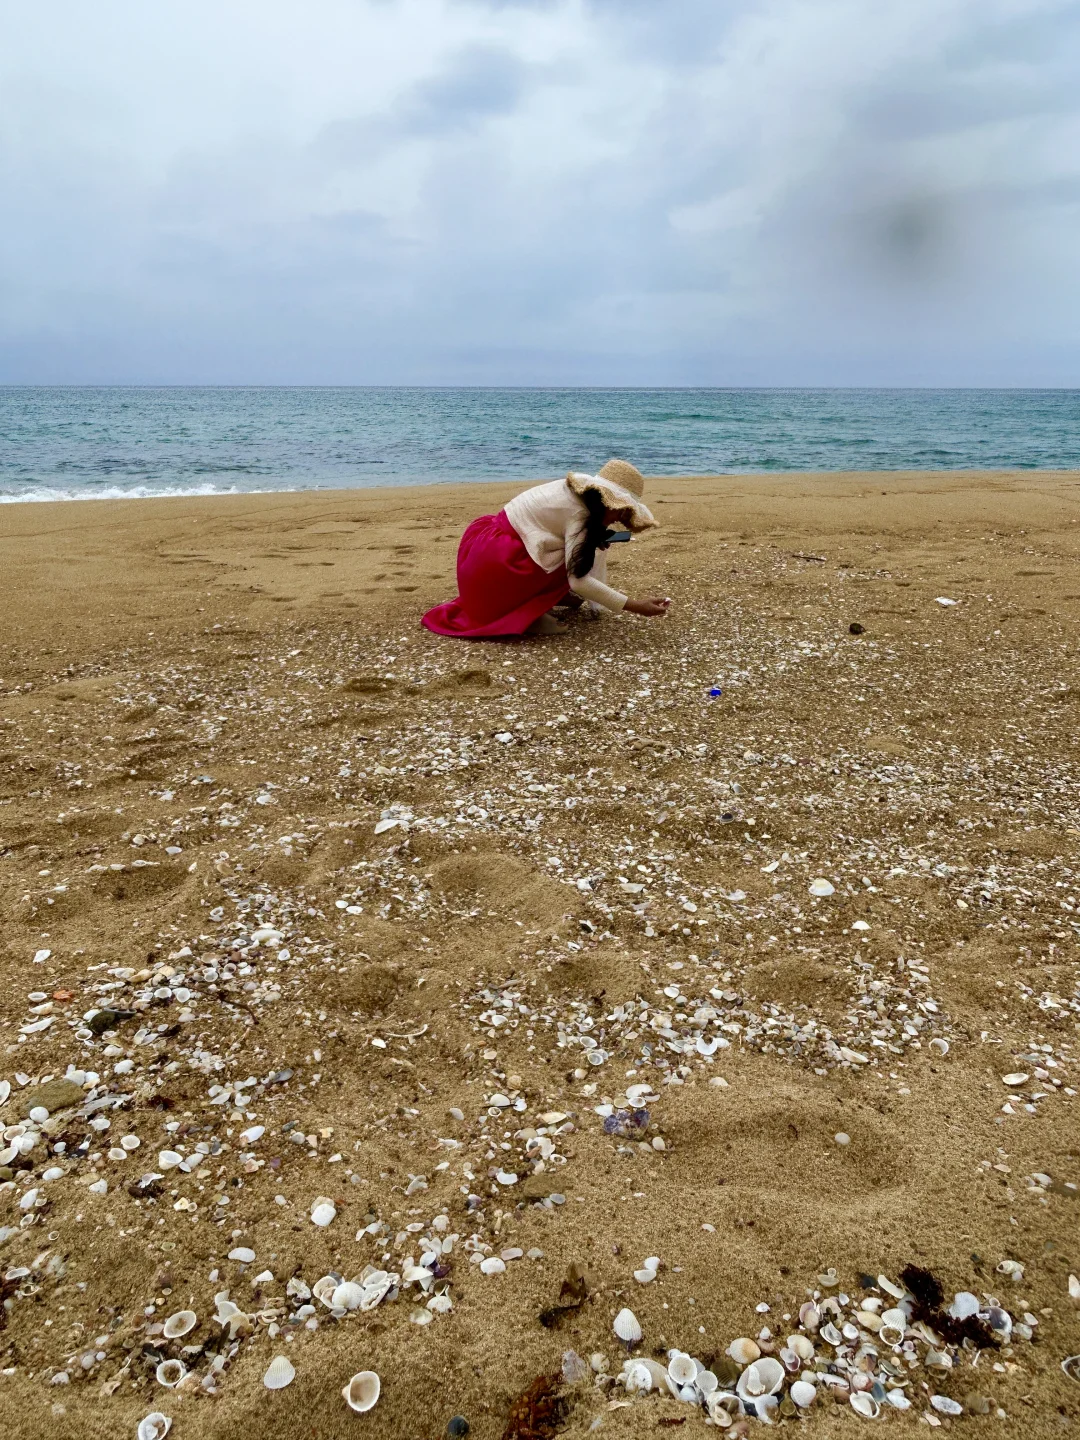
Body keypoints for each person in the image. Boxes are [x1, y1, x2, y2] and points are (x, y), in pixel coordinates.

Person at [421, 459, 671, 639]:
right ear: (603, 499)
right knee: (578, 559)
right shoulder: (579, 515)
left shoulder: (576, 496)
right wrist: (636, 606)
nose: (619, 517)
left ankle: (540, 599)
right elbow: (579, 581)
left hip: (483, 553)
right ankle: (527, 614)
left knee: (580, 552)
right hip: (495, 566)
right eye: (619, 509)